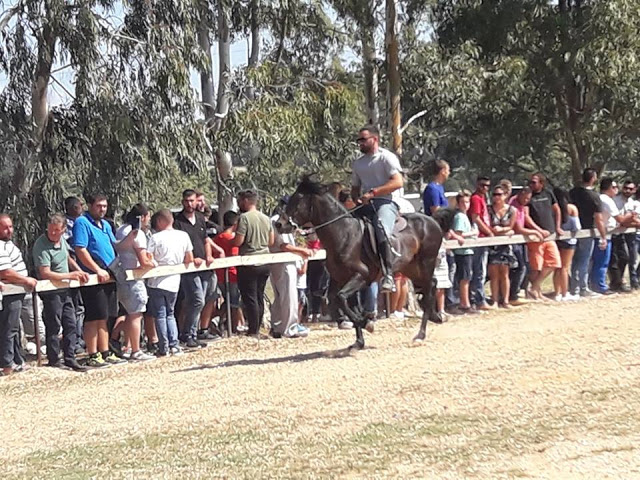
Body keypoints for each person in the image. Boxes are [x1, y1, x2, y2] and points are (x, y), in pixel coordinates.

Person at [73, 194, 125, 368]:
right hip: (93, 278)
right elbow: (81, 249)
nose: (102, 209)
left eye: (104, 206)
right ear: (90, 205)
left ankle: (105, 351)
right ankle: (92, 354)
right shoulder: (82, 222)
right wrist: (97, 269)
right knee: (93, 317)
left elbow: (115, 245)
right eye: (98, 206)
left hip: (110, 275)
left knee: (105, 316)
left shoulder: (106, 225)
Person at [32, 213, 90, 371]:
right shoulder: (41, 244)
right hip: (51, 292)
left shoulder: (62, 241)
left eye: (56, 231)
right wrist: (70, 275)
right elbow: (45, 272)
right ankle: (54, 359)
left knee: (70, 324)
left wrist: (79, 271)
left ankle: (70, 357)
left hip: (66, 290)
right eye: (51, 230)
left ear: (63, 230)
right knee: (54, 325)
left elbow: (67, 258)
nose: (53, 233)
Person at [350, 124, 404, 292]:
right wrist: (356, 199)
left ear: (375, 139)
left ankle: (388, 274)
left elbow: (398, 182)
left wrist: (373, 193)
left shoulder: (386, 158)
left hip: (386, 202)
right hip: (366, 203)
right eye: (359, 140)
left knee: (380, 227)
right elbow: (355, 187)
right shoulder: (358, 164)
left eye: (363, 140)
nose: (360, 143)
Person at [174, 189, 224, 348]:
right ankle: (187, 334)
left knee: (204, 299)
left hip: (204, 266)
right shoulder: (178, 222)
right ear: (183, 202)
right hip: (189, 267)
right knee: (196, 300)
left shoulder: (201, 219)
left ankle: (193, 334)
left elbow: (205, 240)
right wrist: (190, 258)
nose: (190, 204)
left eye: (192, 201)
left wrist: (209, 255)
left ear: (197, 201)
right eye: (187, 201)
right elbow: (178, 245)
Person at [147, 209, 194, 356]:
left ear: (160, 221)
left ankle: (163, 347)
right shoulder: (183, 236)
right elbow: (189, 258)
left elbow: (148, 258)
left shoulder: (155, 238)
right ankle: (174, 345)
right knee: (170, 313)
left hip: (157, 280)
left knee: (160, 314)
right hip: (174, 280)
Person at [114, 204, 156, 361]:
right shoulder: (137, 234)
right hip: (134, 279)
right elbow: (144, 260)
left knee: (128, 313)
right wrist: (153, 263)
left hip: (121, 277)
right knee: (136, 315)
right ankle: (136, 350)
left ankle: (128, 346)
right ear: (143, 217)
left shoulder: (121, 229)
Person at [269, 196, 313, 338]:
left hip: (279, 262)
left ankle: (277, 326)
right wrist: (302, 251)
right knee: (289, 295)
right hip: (284, 262)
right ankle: (290, 327)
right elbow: (284, 245)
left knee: (280, 296)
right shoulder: (279, 222)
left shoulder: (277, 220)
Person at [232, 190, 274, 337]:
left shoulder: (244, 218)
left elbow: (239, 241)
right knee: (259, 295)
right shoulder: (266, 218)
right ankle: (258, 327)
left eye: (239, 200)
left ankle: (253, 330)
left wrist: (232, 239)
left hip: (249, 261)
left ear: (246, 201)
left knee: (249, 297)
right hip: (265, 260)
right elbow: (271, 241)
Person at [0, 214, 38, 376]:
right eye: (5, 227)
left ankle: (17, 360)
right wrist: (26, 280)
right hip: (10, 293)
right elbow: (6, 272)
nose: (9, 230)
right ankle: (7, 364)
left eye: (10, 226)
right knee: (9, 328)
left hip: (17, 292)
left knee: (14, 327)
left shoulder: (8, 244)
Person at [569, 168, 607, 297]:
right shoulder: (594, 196)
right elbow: (599, 218)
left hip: (572, 230)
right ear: (593, 179)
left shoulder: (573, 192)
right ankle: (582, 288)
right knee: (584, 260)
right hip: (587, 231)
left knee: (574, 260)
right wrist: (603, 236)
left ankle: (574, 288)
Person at [593, 178, 633, 295]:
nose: (617, 190)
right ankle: (600, 286)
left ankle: (603, 284)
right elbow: (620, 219)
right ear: (609, 188)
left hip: (607, 233)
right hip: (604, 234)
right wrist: (630, 215)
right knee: (603, 262)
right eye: (615, 187)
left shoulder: (601, 198)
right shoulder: (607, 200)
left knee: (605, 261)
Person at [525, 173, 563, 300]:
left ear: (541, 183)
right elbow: (526, 216)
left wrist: (557, 227)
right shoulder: (528, 195)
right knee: (536, 267)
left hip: (550, 235)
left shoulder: (548, 193)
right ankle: (537, 293)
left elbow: (557, 209)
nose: (531, 184)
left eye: (534, 182)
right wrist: (538, 230)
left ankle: (534, 287)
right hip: (536, 237)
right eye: (530, 182)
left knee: (554, 262)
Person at [508, 187, 542, 305]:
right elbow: (518, 228)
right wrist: (535, 232)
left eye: (529, 198)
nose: (527, 200)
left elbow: (526, 218)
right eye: (526, 198)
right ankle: (513, 294)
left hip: (521, 240)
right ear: (521, 194)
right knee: (519, 267)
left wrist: (538, 229)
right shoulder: (514, 205)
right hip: (514, 240)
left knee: (524, 267)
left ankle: (517, 292)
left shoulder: (522, 205)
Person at [213, 211, 245, 334]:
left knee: (229, 301)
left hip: (220, 274)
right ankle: (232, 327)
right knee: (234, 303)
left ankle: (218, 321)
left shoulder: (217, 238)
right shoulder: (231, 239)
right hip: (231, 274)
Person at [487, 185, 517, 308]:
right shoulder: (489, 209)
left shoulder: (511, 210)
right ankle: (494, 300)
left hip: (505, 244)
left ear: (505, 195)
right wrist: (500, 231)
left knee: (505, 274)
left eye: (499, 194)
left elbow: (511, 226)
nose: (496, 197)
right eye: (494, 194)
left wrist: (503, 229)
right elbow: (487, 225)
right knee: (494, 274)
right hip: (493, 245)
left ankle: (505, 300)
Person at [63, 196, 86, 353]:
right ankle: (75, 341)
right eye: (79, 205)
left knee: (83, 307)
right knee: (76, 307)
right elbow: (68, 251)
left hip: (85, 268)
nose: (81, 207)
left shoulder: (84, 222)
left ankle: (82, 338)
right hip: (72, 270)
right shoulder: (65, 225)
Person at [610, 180, 640, 291]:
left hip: (629, 233)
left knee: (630, 258)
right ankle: (617, 282)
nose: (627, 190)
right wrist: (630, 220)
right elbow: (621, 221)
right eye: (626, 188)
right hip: (615, 233)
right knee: (619, 259)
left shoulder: (633, 203)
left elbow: (633, 220)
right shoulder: (615, 200)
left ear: (635, 190)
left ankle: (631, 281)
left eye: (630, 189)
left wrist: (631, 221)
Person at [468, 176, 493, 310]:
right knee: (479, 270)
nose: (485, 188)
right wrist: (488, 232)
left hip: (484, 237)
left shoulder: (483, 198)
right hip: (480, 237)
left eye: (487, 185)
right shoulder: (476, 198)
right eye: (482, 185)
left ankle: (478, 297)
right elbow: (476, 218)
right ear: (477, 184)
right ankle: (478, 300)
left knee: (481, 270)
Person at [452, 190, 478, 313]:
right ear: (458, 203)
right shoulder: (459, 217)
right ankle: (464, 303)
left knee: (467, 277)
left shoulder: (464, 216)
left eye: (467, 202)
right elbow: (458, 234)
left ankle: (465, 302)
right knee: (464, 278)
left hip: (468, 251)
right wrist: (473, 233)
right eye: (462, 202)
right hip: (462, 252)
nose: (465, 204)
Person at [553, 189, 581, 301]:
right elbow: (577, 227)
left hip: (557, 240)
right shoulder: (572, 208)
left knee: (557, 268)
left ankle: (557, 293)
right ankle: (565, 293)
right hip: (569, 240)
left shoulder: (554, 208)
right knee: (565, 267)